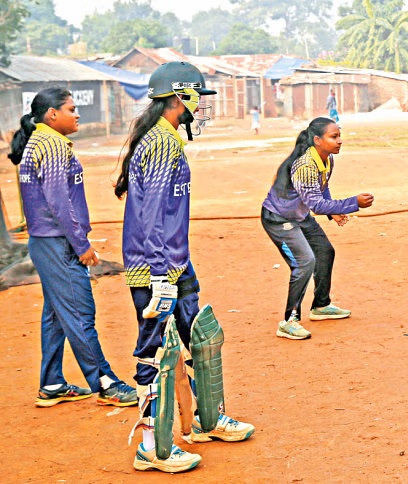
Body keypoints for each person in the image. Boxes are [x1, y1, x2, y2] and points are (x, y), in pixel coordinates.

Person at [114, 61, 254, 473]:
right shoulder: (160, 143)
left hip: (175, 260)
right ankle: (151, 447)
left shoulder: (167, 139)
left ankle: (204, 422)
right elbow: (152, 216)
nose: (201, 107)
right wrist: (160, 275)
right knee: (155, 352)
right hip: (155, 265)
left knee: (200, 338)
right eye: (198, 98)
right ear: (180, 97)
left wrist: (173, 264)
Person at [8, 88, 137, 408]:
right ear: (52, 114)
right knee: (80, 314)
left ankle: (51, 383)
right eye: (71, 108)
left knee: (57, 315)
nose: (77, 114)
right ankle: (106, 383)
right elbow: (58, 202)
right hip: (58, 244)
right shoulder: (51, 145)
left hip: (46, 243)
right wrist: (82, 245)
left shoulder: (40, 142)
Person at [261, 117, 374, 340]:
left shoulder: (327, 158)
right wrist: (353, 203)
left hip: (299, 216)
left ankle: (321, 306)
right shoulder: (304, 165)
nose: (339, 141)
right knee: (304, 262)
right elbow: (316, 204)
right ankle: (289, 321)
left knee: (324, 251)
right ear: (317, 140)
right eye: (334, 137)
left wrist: (333, 210)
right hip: (279, 219)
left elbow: (322, 189)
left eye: (339, 135)